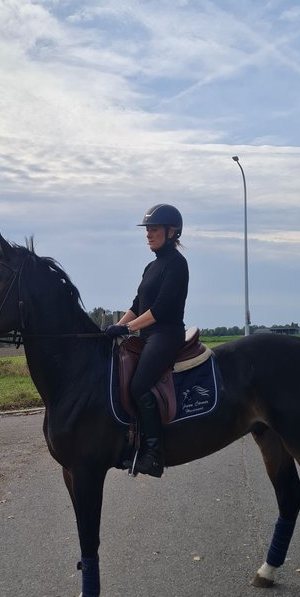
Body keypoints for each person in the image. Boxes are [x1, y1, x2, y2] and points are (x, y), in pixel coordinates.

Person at [103, 203, 189, 477]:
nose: (148, 234)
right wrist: (116, 326)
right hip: (148, 334)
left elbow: (160, 310)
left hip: (166, 334)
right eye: (147, 230)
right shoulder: (151, 266)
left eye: (153, 229)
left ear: (172, 231)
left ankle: (153, 454)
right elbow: (139, 304)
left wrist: (127, 330)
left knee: (139, 385)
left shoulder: (177, 264)